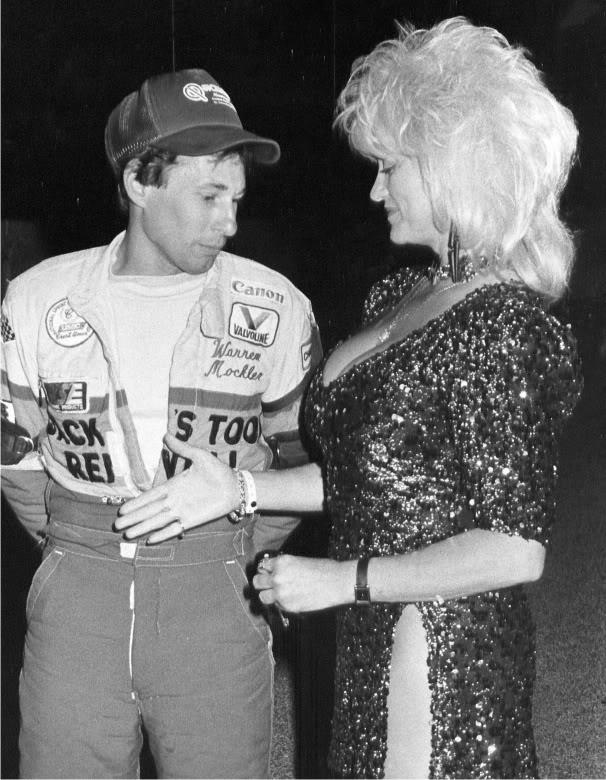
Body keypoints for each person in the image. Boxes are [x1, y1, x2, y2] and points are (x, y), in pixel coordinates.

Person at [116, 19, 583, 779]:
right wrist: (238, 489)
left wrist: (343, 580)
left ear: (455, 166)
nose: (374, 189)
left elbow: (516, 548)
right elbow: (372, 478)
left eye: (390, 167)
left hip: (442, 646)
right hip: (370, 625)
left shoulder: (502, 324)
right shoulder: (400, 294)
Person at [0, 67, 321, 778]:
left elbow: (299, 459)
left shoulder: (275, 308)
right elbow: (15, 458)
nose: (229, 222)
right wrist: (72, 552)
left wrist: (227, 552)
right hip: (77, 601)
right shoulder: (36, 301)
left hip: (216, 595)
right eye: (209, 196)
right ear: (139, 182)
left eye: (236, 198)